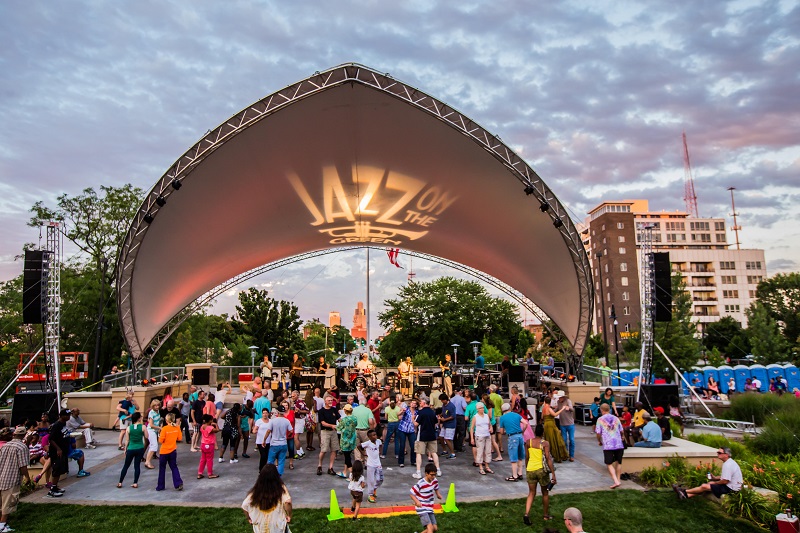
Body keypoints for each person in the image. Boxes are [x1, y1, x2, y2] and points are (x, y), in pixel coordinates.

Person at [674, 447, 743, 500]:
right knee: (709, 485)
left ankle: (684, 491)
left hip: (732, 489)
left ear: (726, 455)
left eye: (720, 453)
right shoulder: (729, 462)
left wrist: (715, 482)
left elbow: (725, 481)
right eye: (718, 452)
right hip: (729, 486)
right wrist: (715, 478)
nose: (718, 454)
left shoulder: (728, 465)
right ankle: (686, 495)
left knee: (705, 486)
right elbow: (726, 477)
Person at [241, 464, 292, 533]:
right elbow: (288, 502)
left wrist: (249, 518)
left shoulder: (256, 491)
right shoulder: (281, 488)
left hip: (260, 527)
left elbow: (244, 505)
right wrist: (289, 515)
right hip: (277, 526)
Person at [523, 423, 557, 525]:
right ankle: (546, 515)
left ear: (534, 432)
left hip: (530, 470)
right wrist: (553, 474)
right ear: (543, 432)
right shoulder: (545, 443)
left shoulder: (528, 442)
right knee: (545, 493)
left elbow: (527, 457)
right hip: (541, 471)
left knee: (531, 493)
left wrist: (527, 468)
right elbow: (548, 458)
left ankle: (526, 514)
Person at [0, 426, 31, 531]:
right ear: (24, 435)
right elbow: (23, 466)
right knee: (8, 503)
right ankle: (2, 525)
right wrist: (27, 477)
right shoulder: (22, 447)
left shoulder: (5, 445)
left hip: (1, 476)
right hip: (11, 478)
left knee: (1, 502)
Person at [595, 403, 624, 489]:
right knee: (619, 462)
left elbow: (598, 433)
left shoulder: (600, 419)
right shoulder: (616, 418)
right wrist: (622, 436)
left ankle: (615, 481)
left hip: (608, 444)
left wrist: (599, 441)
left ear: (601, 410)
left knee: (609, 463)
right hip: (619, 443)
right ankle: (618, 480)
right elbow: (621, 430)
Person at [47, 409, 74, 498]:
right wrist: (58, 449)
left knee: (61, 469)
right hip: (57, 452)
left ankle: (56, 486)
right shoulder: (57, 425)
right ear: (62, 416)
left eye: (69, 415)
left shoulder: (63, 424)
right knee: (57, 469)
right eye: (67, 415)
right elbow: (51, 439)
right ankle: (52, 490)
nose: (69, 417)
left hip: (64, 450)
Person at [117, 412, 147, 488]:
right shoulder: (143, 427)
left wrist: (125, 449)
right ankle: (135, 483)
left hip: (131, 448)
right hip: (140, 448)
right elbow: (146, 436)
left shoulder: (128, 428)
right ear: (139, 418)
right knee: (137, 466)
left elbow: (127, 440)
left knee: (126, 465)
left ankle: (120, 482)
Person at [410, 463, 443, 533]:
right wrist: (417, 502)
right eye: (431, 475)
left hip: (429, 507)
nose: (433, 476)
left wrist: (438, 494)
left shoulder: (434, 480)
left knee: (435, 528)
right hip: (422, 508)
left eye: (435, 474)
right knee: (430, 528)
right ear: (426, 474)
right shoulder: (421, 483)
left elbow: (436, 487)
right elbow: (412, 493)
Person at [414, 398, 441, 479]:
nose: (419, 403)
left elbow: (416, 424)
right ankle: (438, 470)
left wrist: (412, 419)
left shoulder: (420, 412)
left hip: (422, 435)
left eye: (420, 402)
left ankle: (418, 472)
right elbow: (436, 422)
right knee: (434, 452)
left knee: (419, 453)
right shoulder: (432, 412)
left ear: (424, 403)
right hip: (432, 435)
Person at [156, 413, 183, 491]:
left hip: (164, 451)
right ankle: (178, 483)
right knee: (174, 467)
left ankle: (161, 486)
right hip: (173, 450)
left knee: (162, 468)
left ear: (166, 420)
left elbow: (160, 441)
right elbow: (179, 438)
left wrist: (160, 433)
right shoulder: (177, 428)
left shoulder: (164, 428)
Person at [498, 403, 525, 481]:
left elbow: (501, 431)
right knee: (520, 456)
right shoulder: (516, 415)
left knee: (513, 457)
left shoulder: (502, 418)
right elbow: (525, 423)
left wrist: (505, 431)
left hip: (512, 437)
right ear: (510, 408)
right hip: (520, 436)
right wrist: (522, 431)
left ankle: (514, 476)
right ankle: (520, 473)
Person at [265, 405, 293, 477]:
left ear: (278, 412)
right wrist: (287, 436)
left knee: (270, 461)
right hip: (283, 443)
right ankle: (279, 476)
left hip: (274, 443)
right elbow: (291, 430)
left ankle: (269, 476)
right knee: (281, 461)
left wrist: (264, 440)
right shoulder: (286, 421)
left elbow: (268, 431)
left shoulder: (273, 421)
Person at [316, 395, 341, 476]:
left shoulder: (334, 409)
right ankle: (319, 465)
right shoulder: (321, 411)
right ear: (325, 402)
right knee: (323, 450)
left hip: (333, 432)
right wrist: (331, 425)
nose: (330, 402)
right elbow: (322, 423)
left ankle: (330, 467)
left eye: (331, 400)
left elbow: (339, 419)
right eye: (329, 400)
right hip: (325, 432)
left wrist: (344, 425)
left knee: (334, 449)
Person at [469, 402, 494, 476]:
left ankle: (487, 466)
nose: (482, 409)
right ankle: (481, 467)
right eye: (480, 408)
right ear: (477, 409)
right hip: (479, 436)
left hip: (487, 435)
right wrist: (472, 438)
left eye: (482, 408)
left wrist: (491, 428)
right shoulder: (475, 417)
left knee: (488, 451)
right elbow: (472, 428)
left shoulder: (486, 416)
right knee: (480, 451)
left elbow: (490, 424)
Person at [541, 393, 568, 463]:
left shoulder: (543, 408)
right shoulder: (549, 408)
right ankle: (558, 456)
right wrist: (562, 409)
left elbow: (542, 417)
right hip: (551, 425)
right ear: (549, 402)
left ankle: (549, 455)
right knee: (556, 439)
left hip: (546, 424)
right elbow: (555, 414)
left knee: (548, 439)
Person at [361, 429, 383, 503]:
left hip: (378, 464)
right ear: (369, 437)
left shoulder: (378, 441)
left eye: (375, 434)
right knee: (370, 480)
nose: (375, 436)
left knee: (380, 479)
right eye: (373, 435)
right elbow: (359, 446)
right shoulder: (367, 443)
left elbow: (380, 445)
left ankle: (374, 489)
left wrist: (380, 451)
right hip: (370, 464)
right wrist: (363, 453)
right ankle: (370, 495)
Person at [337, 404, 358, 479]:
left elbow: (339, 428)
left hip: (345, 440)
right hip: (352, 439)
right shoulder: (355, 418)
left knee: (347, 457)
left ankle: (353, 475)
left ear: (345, 411)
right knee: (348, 456)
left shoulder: (344, 420)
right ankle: (345, 472)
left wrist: (334, 426)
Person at [198, 414, 220, 479]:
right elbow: (217, 430)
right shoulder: (210, 428)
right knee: (209, 460)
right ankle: (210, 474)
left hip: (203, 444)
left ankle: (200, 473)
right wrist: (215, 424)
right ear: (210, 420)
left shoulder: (202, 426)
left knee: (203, 459)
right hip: (209, 445)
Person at [397, 399, 417, 469]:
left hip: (411, 430)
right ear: (410, 404)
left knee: (413, 445)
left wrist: (415, 429)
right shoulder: (406, 410)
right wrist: (402, 411)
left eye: (414, 403)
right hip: (403, 429)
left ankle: (413, 460)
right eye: (412, 403)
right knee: (402, 445)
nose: (413, 404)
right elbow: (398, 414)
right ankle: (401, 462)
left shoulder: (416, 412)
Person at [556, 391, 576, 462]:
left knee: (572, 440)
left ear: (563, 397)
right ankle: (565, 454)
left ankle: (571, 455)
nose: (559, 399)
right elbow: (557, 410)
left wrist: (569, 408)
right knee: (564, 440)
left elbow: (572, 409)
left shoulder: (568, 401)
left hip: (570, 424)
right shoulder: (558, 402)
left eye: (560, 397)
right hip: (562, 424)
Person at [438, 394, 457, 458]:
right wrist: (440, 415)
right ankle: (445, 450)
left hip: (450, 424)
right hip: (445, 424)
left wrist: (444, 419)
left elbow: (453, 416)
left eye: (442, 400)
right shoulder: (444, 405)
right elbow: (444, 412)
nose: (441, 402)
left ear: (446, 400)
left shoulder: (451, 406)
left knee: (447, 439)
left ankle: (453, 453)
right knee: (441, 437)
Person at [145, 399, 162, 470]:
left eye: (158, 405)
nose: (157, 407)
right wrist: (159, 428)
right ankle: (147, 461)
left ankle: (148, 461)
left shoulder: (158, 412)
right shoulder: (151, 413)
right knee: (154, 446)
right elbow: (151, 425)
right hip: (151, 430)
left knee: (153, 446)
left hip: (155, 431)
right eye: (155, 405)